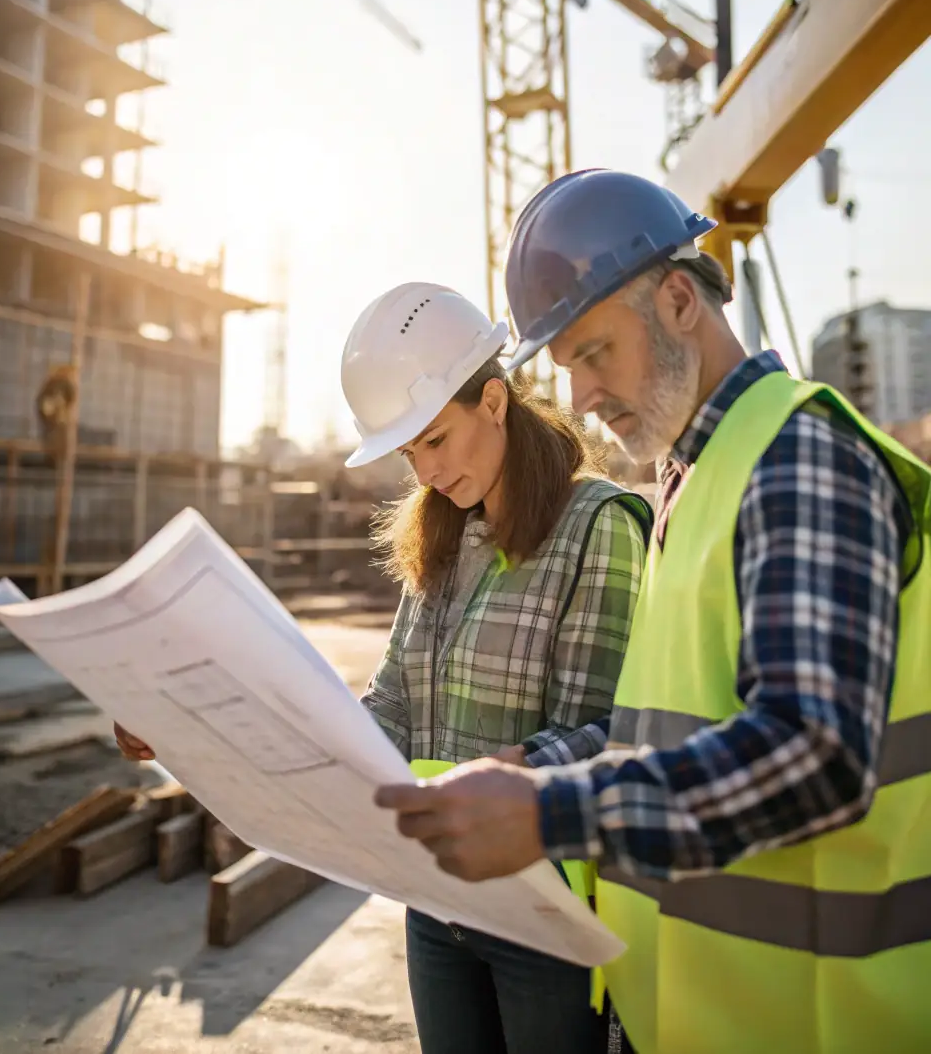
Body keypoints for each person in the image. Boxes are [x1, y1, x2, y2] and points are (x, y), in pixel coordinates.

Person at [373, 173, 931, 1054]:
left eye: (595, 352)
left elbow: (815, 751)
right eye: (567, 369)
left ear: (679, 300)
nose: (583, 396)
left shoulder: (797, 460)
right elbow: (659, 732)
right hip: (710, 1009)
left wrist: (547, 809)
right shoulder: (694, 481)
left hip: (818, 1016)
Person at [118, 280, 652, 1054]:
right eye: (410, 453)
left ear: (494, 401)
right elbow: (389, 711)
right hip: (435, 905)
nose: (427, 472)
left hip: (545, 912)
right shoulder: (439, 539)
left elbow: (612, 732)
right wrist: (190, 726)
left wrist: (512, 775)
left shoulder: (597, 527)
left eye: (435, 439)